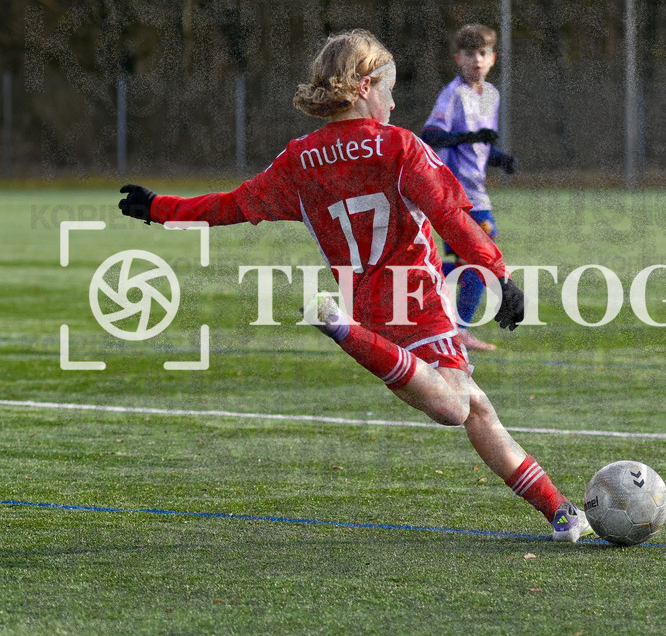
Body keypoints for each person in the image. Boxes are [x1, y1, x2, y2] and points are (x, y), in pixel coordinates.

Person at [117, 29, 592, 542]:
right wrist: (499, 273)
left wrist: (161, 208)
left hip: (369, 307)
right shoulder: (398, 146)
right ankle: (340, 330)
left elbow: (231, 205)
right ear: (365, 86)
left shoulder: (298, 159)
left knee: (475, 406)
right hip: (418, 300)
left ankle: (561, 513)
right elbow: (451, 216)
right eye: (388, 87)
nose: (393, 100)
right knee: (456, 406)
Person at [421, 24, 516, 352]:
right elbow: (431, 135)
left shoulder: (491, 95)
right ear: (458, 58)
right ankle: (459, 329)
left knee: (473, 265)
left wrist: (500, 158)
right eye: (470, 54)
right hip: (454, 193)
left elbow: (481, 146)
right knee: (483, 261)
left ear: (492, 58)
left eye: (483, 53)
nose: (477, 60)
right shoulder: (453, 94)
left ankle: (414, 277)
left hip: (477, 191)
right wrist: (469, 138)